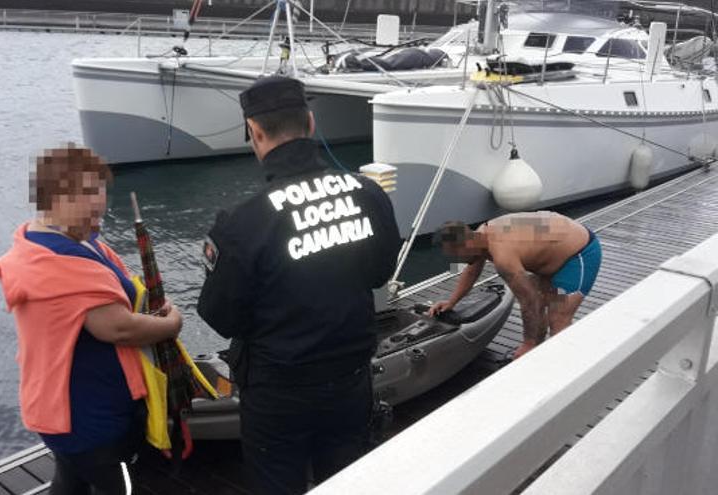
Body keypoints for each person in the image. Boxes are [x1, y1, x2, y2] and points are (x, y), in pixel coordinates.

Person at [197, 76, 402, 494]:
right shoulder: (367, 194)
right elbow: (381, 273)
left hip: (278, 393)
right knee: (347, 481)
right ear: (310, 123)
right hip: (350, 380)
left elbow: (220, 315)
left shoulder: (242, 222)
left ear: (254, 132)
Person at [0, 145, 183, 495]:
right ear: (56, 200)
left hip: (62, 414)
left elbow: (119, 292)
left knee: (71, 477)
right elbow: (117, 327)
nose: (99, 220)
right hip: (90, 420)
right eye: (90, 209)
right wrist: (171, 325)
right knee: (122, 487)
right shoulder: (60, 264)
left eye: (100, 198)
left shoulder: (51, 241)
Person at [429, 211, 602, 359]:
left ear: (466, 243)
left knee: (557, 319)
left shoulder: (503, 257)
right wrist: (452, 302)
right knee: (540, 304)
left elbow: (529, 302)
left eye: (456, 256)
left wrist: (527, 343)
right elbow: (472, 270)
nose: (457, 261)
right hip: (552, 251)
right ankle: (537, 353)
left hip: (579, 254)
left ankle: (565, 371)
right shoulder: (480, 236)